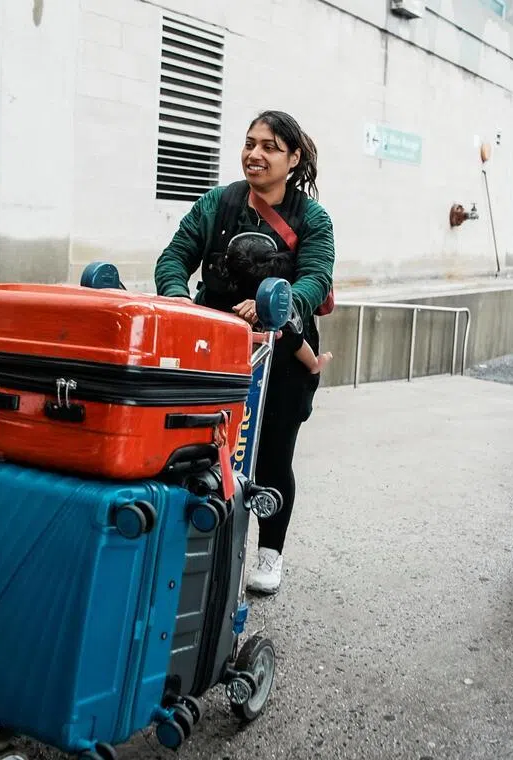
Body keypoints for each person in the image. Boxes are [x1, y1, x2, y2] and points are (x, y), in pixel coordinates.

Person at [154, 110, 336, 594]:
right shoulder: (218, 202)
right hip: (215, 348)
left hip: (282, 352)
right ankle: (202, 544)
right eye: (250, 143)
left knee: (273, 456)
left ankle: (270, 554)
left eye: (270, 147)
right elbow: (174, 257)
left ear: (293, 158)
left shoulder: (313, 219)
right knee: (202, 450)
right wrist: (177, 300)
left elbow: (315, 279)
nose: (254, 154)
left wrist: (277, 304)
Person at [225, 233, 333, 375]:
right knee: (294, 338)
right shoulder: (280, 319)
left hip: (238, 371)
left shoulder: (233, 308)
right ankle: (314, 363)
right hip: (279, 364)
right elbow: (298, 342)